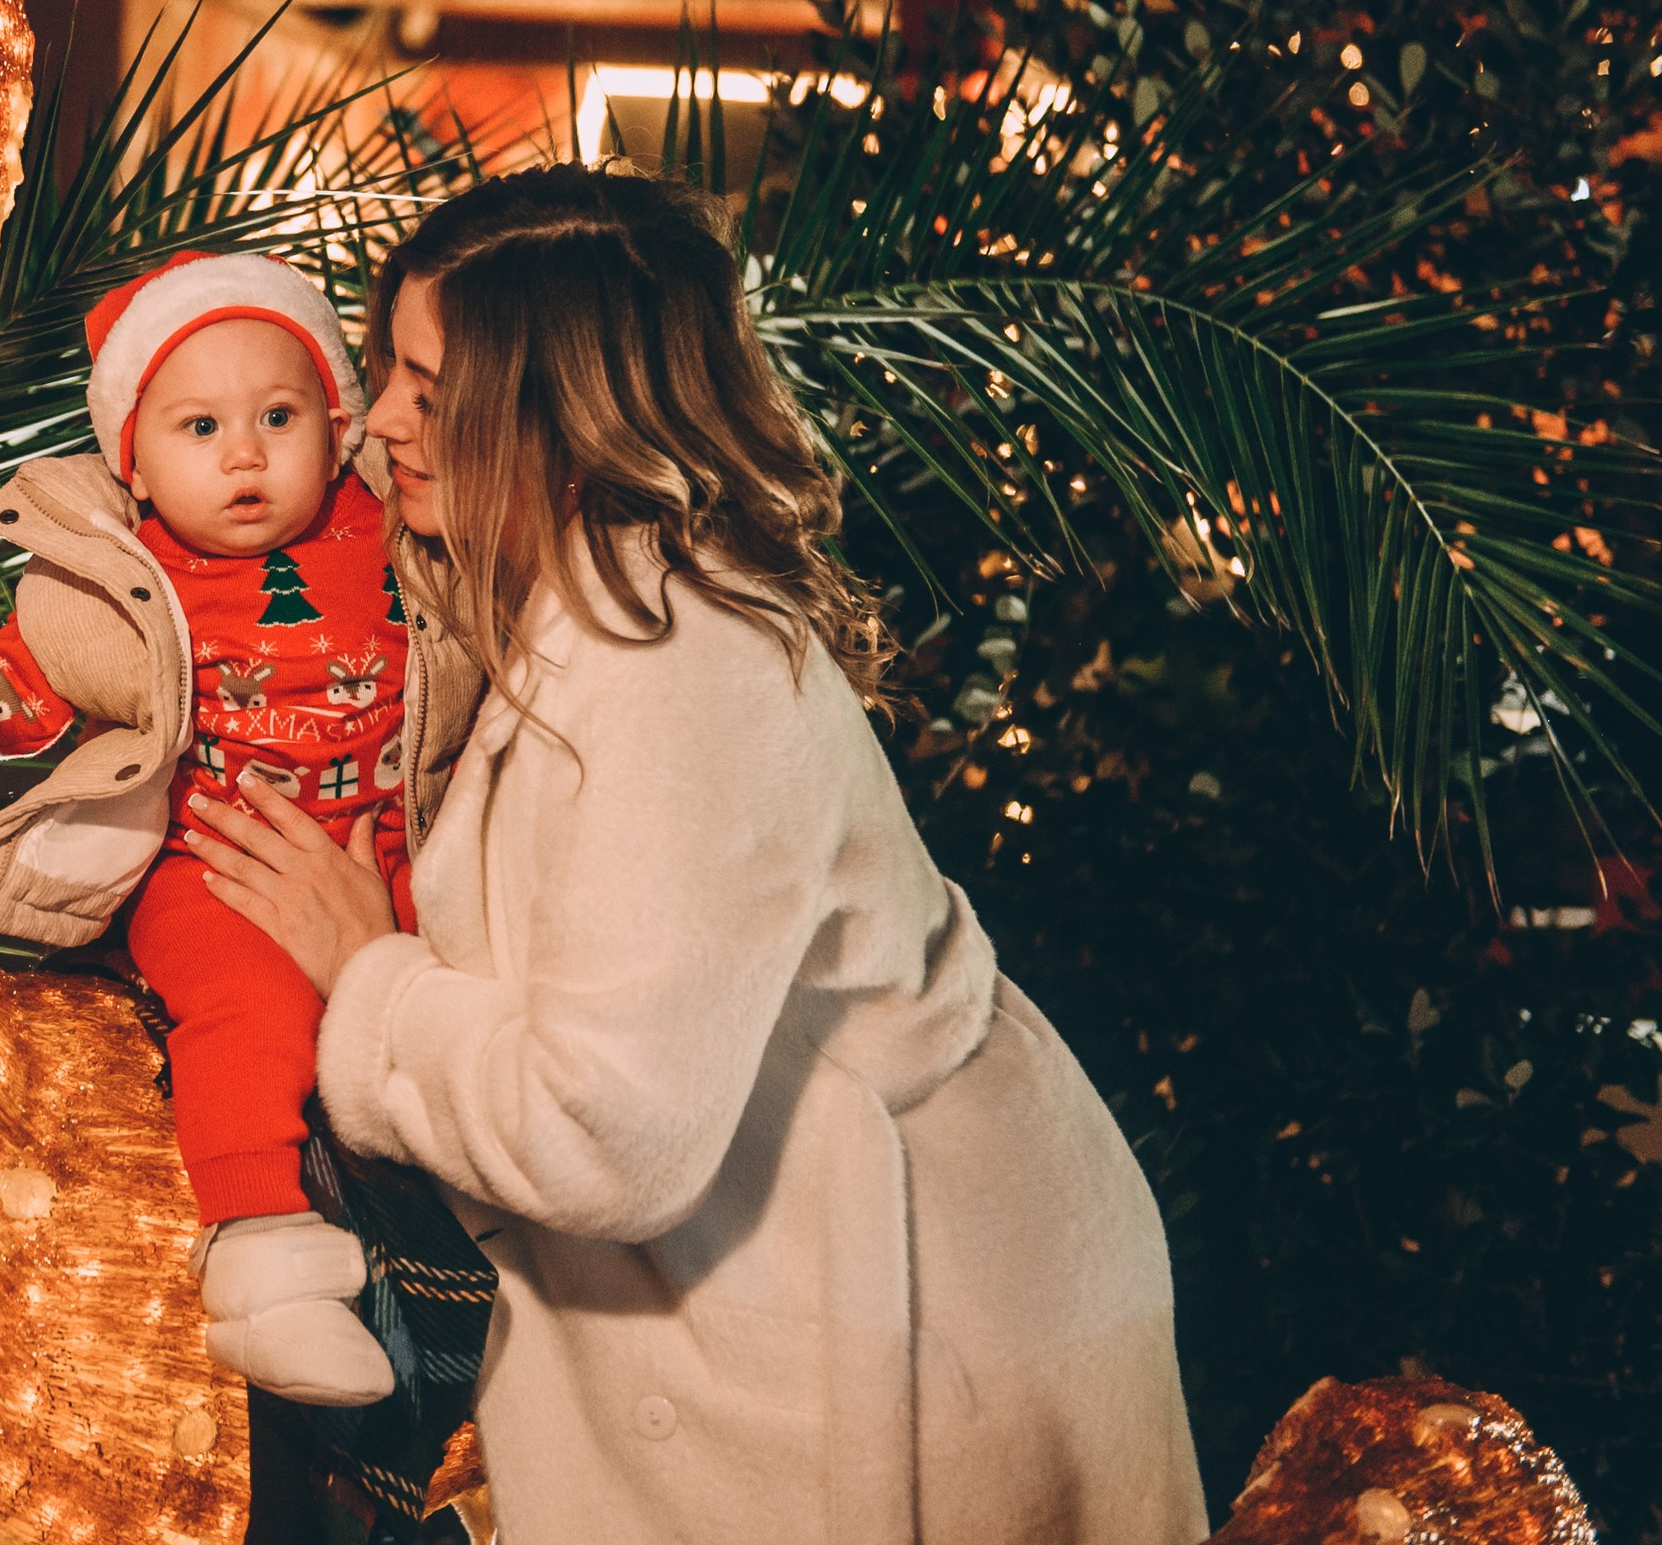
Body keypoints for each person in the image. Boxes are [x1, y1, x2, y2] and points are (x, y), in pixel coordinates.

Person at [184, 166, 1212, 1543]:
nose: (382, 423)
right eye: (385, 372)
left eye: (429, 388)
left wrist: (370, 978)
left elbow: (606, 1132)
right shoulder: (559, 584)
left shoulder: (678, 667)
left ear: (558, 413)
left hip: (918, 1333)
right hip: (804, 1288)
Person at [0, 251, 483, 1410]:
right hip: (210, 861)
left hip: (393, 839)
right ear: (135, 462)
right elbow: (27, 675)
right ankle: (263, 1257)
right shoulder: (118, 577)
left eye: (277, 416)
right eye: (200, 426)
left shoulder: (402, 527)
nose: (244, 454)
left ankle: (481, 1241)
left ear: (338, 426)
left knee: (464, 974)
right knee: (244, 1010)